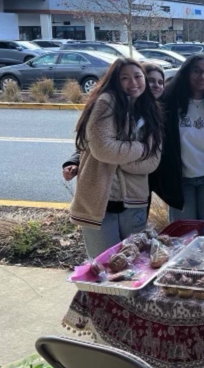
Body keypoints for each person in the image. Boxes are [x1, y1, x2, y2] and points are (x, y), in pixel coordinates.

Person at [69, 58, 163, 257]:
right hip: (100, 200)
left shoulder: (150, 109)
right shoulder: (106, 102)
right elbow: (103, 149)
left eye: (138, 76)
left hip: (135, 200)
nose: (133, 83)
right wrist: (139, 148)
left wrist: (119, 161)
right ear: (115, 81)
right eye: (125, 78)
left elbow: (152, 162)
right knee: (104, 266)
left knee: (135, 262)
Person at [150, 54, 204, 221]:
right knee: (183, 235)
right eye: (197, 71)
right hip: (181, 181)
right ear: (186, 73)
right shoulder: (169, 103)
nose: (203, 76)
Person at [62, 62, 166, 181]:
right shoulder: (114, 105)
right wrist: (74, 161)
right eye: (151, 80)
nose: (156, 85)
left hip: (144, 183)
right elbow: (92, 140)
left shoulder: (159, 110)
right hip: (108, 183)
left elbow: (154, 155)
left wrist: (119, 159)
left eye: (160, 82)